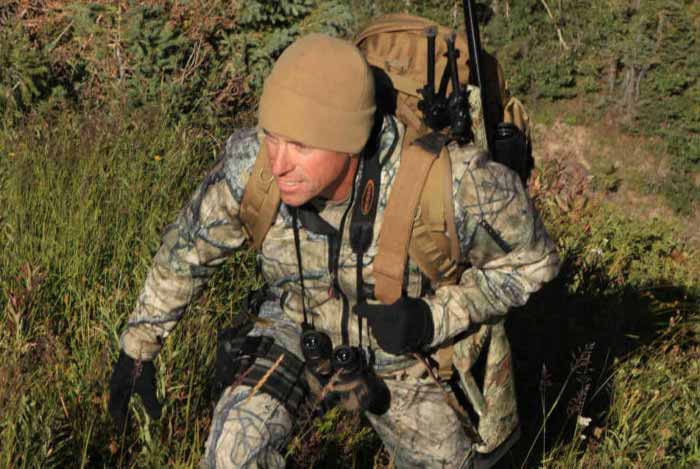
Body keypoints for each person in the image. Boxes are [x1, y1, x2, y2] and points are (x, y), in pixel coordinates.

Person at [108, 33, 560, 468]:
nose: (279, 161)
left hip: (405, 353)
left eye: (301, 145)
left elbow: (534, 263)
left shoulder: (456, 183)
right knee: (231, 454)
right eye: (273, 135)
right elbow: (188, 250)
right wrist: (138, 348)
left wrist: (432, 317)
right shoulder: (254, 168)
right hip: (298, 326)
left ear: (351, 140)